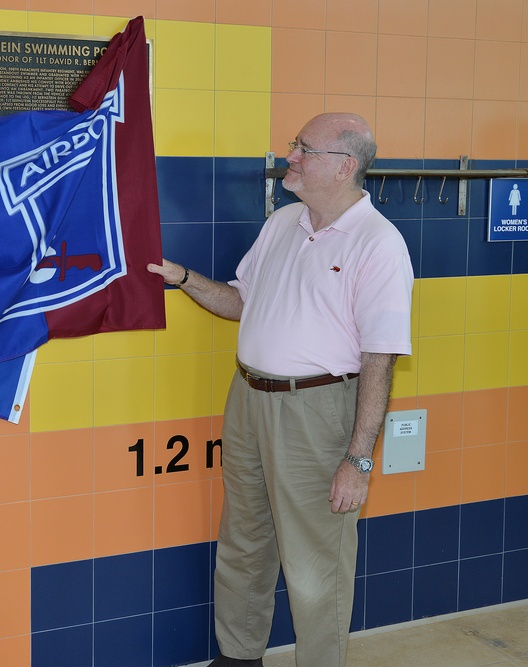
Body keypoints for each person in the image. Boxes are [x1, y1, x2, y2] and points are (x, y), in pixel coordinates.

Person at [148, 113, 413, 666]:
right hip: (248, 399)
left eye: (303, 149)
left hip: (317, 411)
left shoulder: (378, 244)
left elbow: (379, 360)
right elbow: (243, 301)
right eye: (295, 145)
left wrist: (358, 461)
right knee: (243, 542)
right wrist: (184, 279)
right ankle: (239, 657)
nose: (289, 156)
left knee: (317, 563)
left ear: (344, 167)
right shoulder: (284, 222)